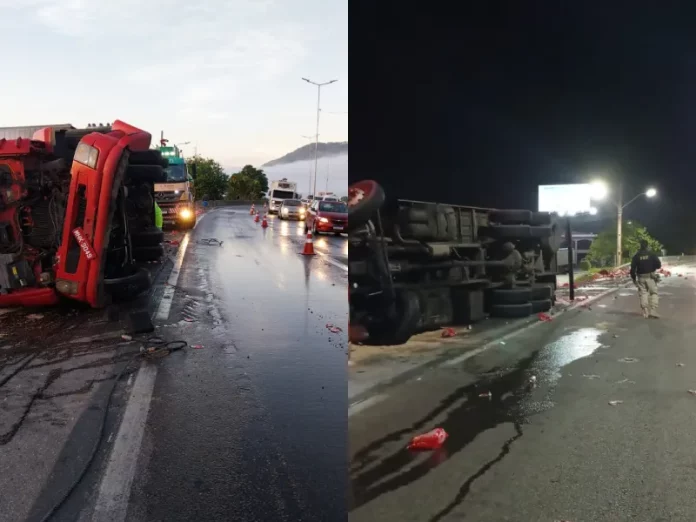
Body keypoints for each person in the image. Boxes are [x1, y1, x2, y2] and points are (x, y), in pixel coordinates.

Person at [630, 239, 662, 318]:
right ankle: (653, 310)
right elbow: (658, 265)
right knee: (653, 293)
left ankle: (645, 311)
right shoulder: (651, 254)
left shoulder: (636, 256)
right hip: (650, 276)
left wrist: (634, 279)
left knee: (643, 294)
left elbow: (632, 269)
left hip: (641, 277)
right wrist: (652, 267)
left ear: (640, 245)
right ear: (647, 245)